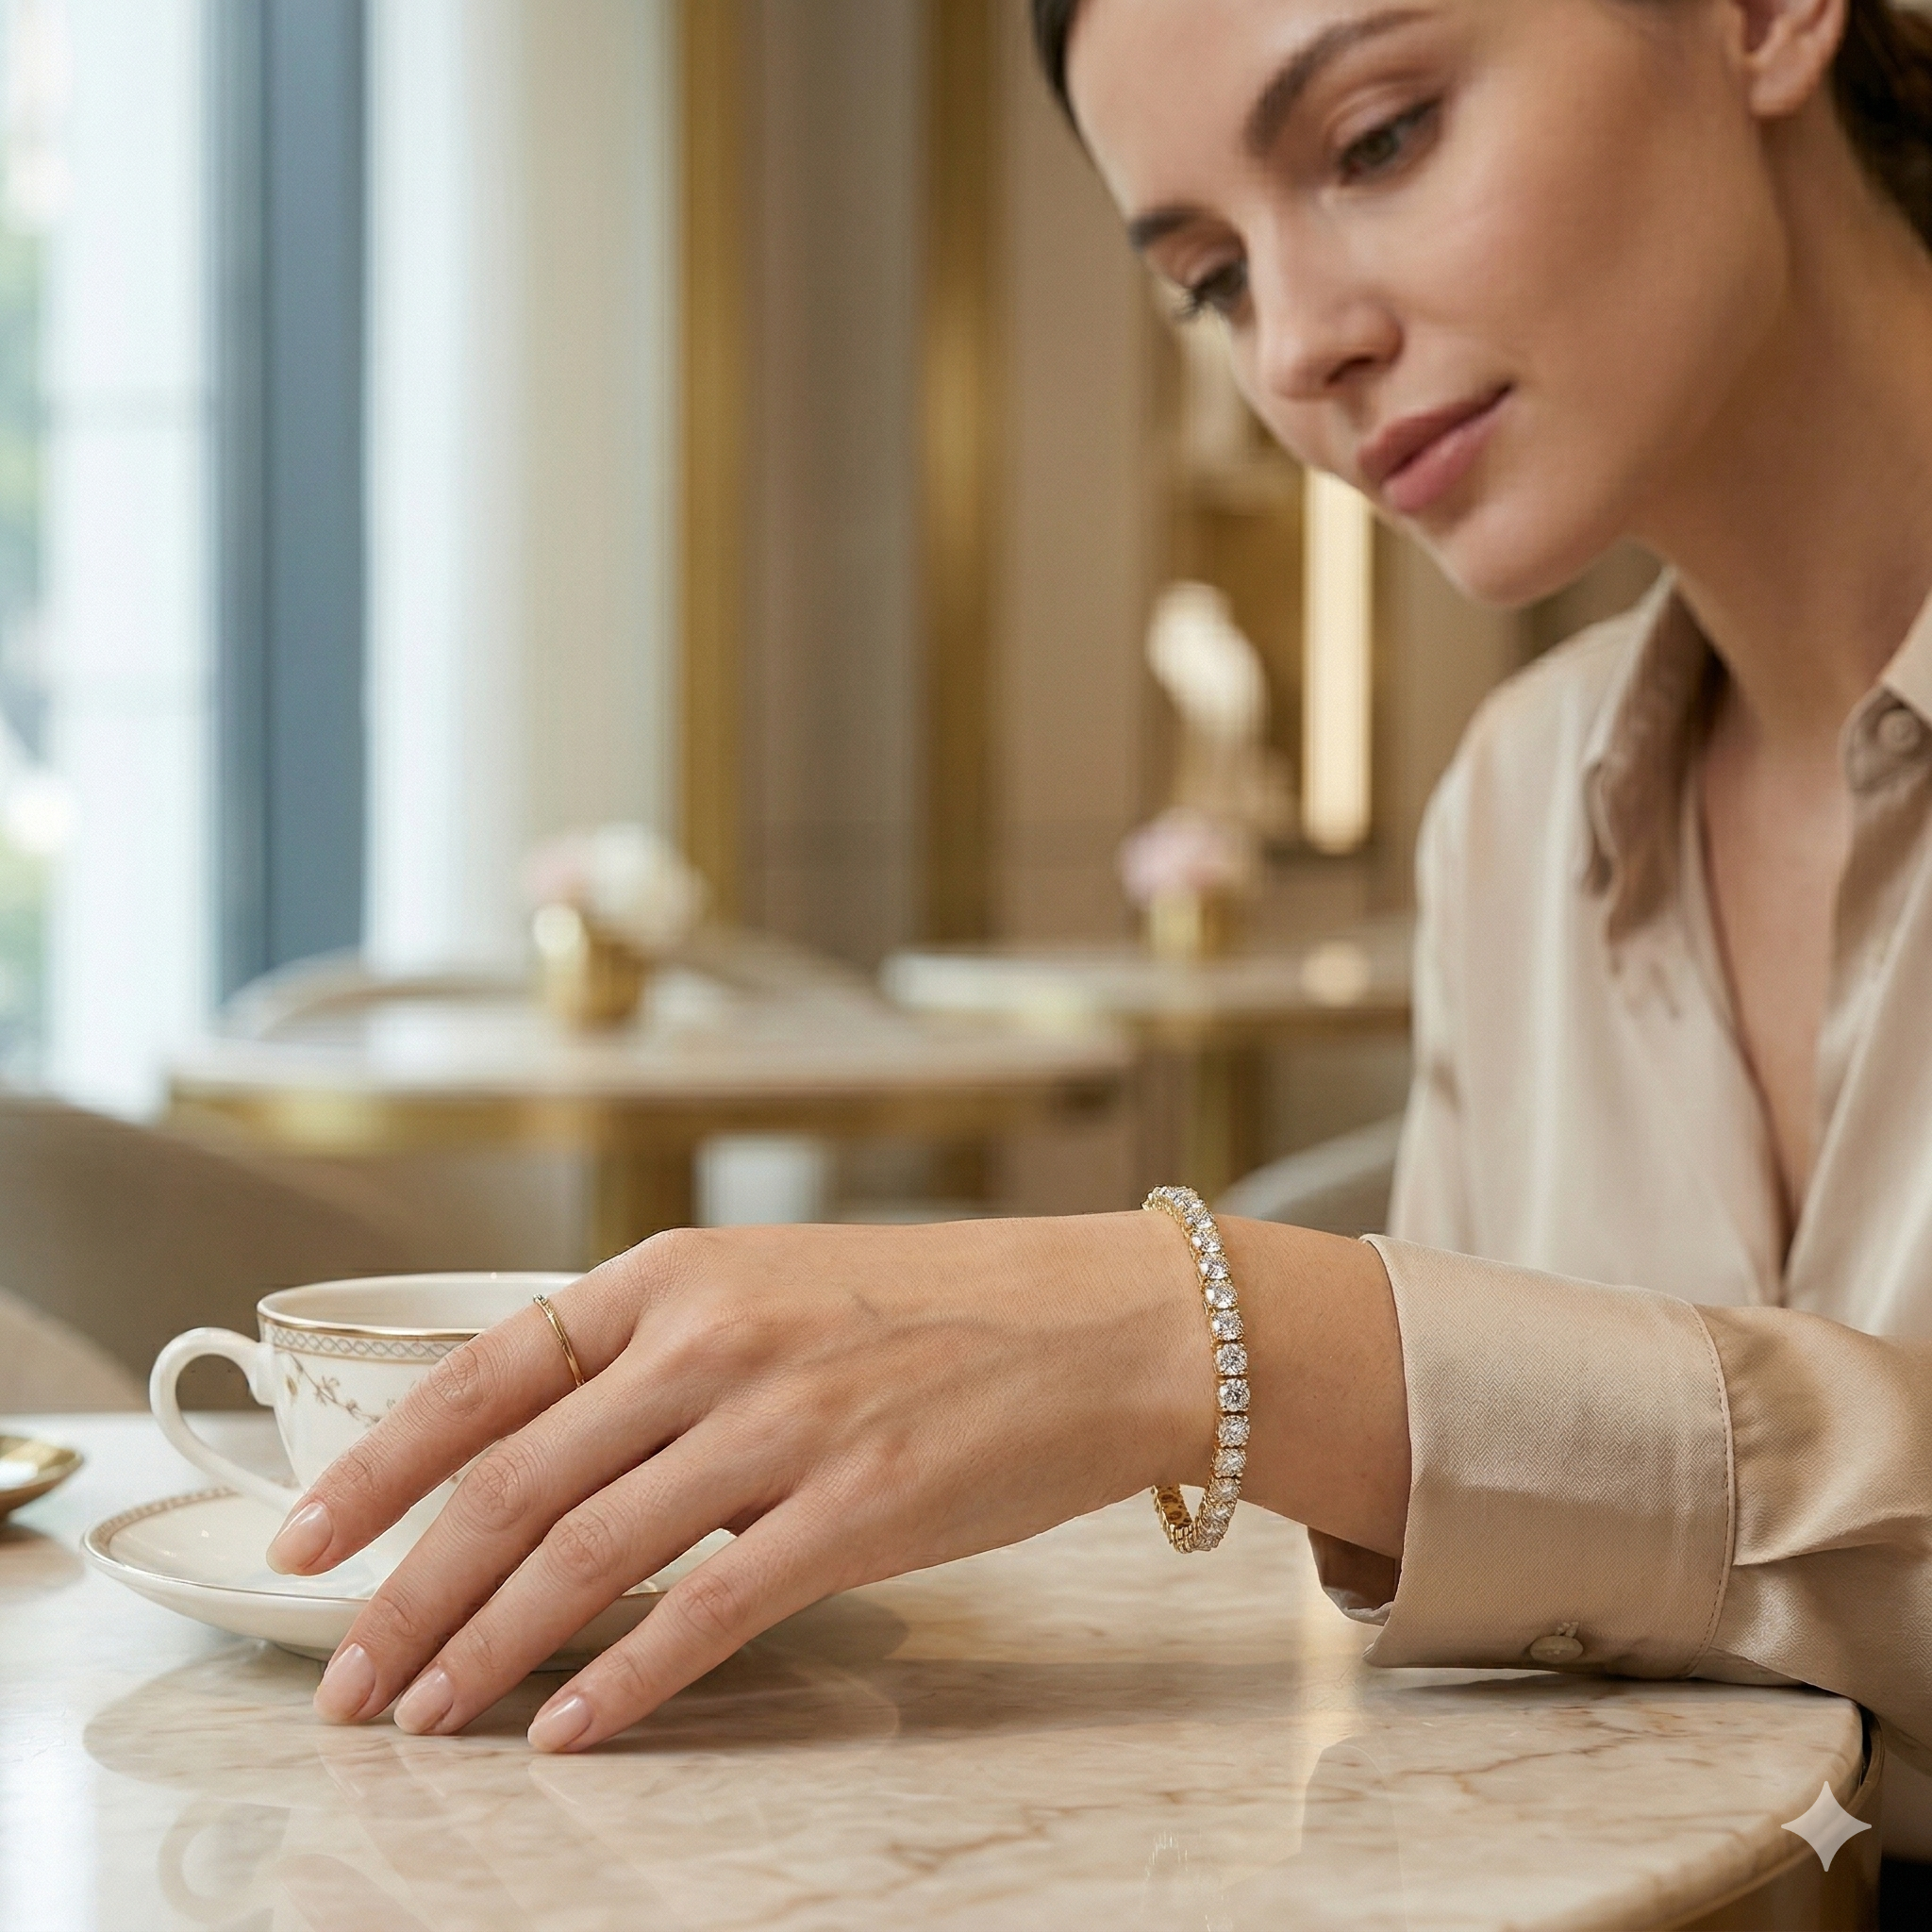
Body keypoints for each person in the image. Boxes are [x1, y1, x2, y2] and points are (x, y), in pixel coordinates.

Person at [272, 0, 1932, 1899]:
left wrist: (1224, 1335)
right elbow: (1556, 1685)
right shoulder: (1518, 803)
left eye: (1381, 136)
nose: (1300, 346)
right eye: (1209, 278)